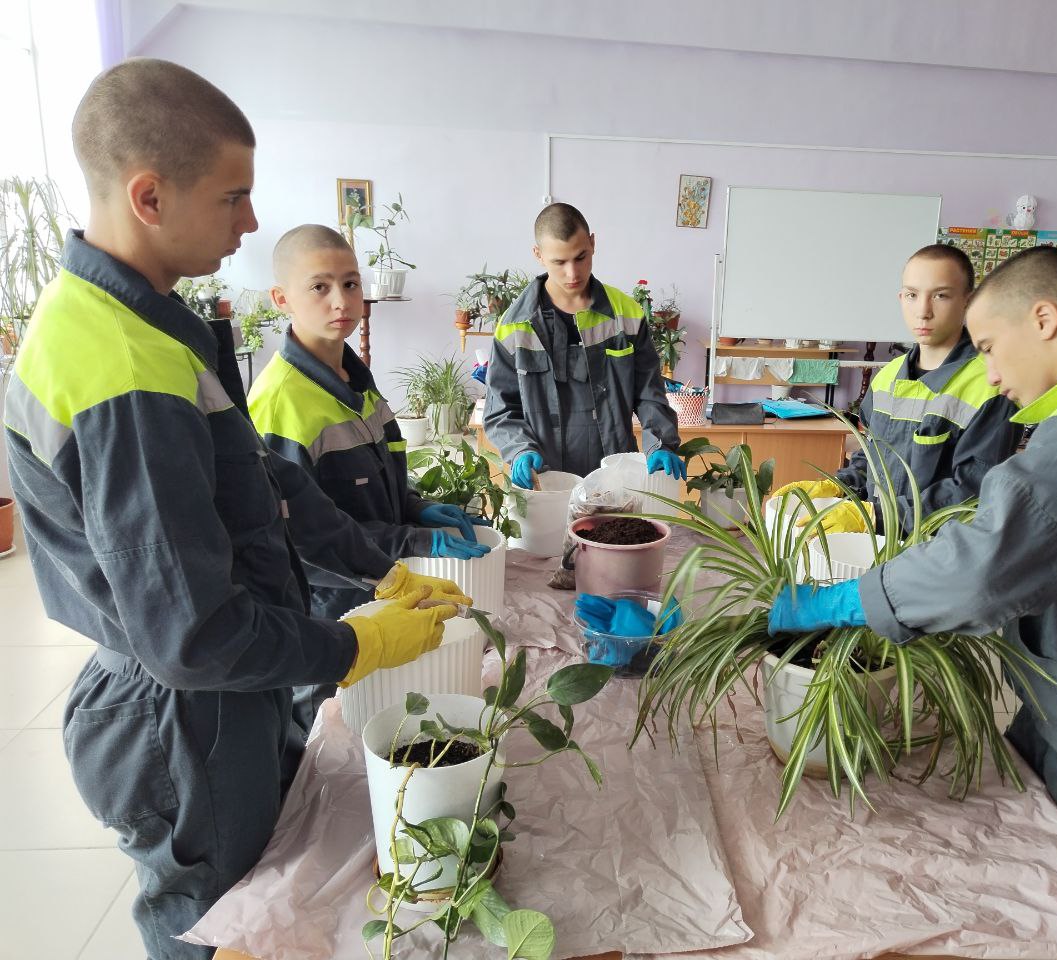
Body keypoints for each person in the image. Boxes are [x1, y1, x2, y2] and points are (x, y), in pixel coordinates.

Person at [2, 59, 464, 959]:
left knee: (259, 895)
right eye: (233, 197)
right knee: (216, 932)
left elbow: (267, 491)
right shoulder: (119, 371)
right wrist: (357, 644)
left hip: (220, 693)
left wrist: (385, 569)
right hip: (180, 714)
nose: (251, 222)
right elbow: (192, 637)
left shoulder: (147, 325)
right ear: (148, 197)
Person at [769, 246, 1057, 922]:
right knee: (1051, 884)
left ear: (1044, 319)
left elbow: (987, 563)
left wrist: (853, 600)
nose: (990, 374)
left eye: (990, 346)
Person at [247, 223, 491, 734]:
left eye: (351, 283)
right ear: (281, 298)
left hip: (378, 580)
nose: (341, 300)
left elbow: (376, 476)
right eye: (320, 286)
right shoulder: (278, 402)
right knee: (331, 729)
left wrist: (415, 505)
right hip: (327, 603)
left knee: (385, 719)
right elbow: (301, 537)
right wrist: (417, 538)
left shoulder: (356, 380)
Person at [773, 243, 1021, 534]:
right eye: (912, 295)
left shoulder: (993, 386)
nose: (923, 311)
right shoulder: (887, 377)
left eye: (940, 295)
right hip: (876, 542)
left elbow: (972, 491)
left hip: (937, 554)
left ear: (968, 302)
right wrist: (839, 487)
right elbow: (871, 457)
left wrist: (878, 517)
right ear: (901, 298)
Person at [483, 202, 683, 488]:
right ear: (538, 255)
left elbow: (649, 393)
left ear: (592, 243)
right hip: (545, 481)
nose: (572, 273)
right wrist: (519, 450)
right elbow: (501, 409)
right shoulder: (514, 326)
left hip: (614, 478)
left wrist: (660, 443)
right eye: (559, 262)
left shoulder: (625, 315)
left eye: (580, 257)